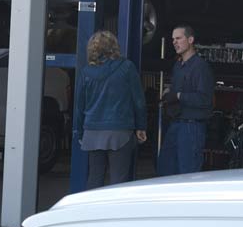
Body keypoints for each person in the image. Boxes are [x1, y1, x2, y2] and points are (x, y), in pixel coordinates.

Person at [74, 30, 148, 190]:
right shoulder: (127, 67)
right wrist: (141, 126)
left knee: (94, 178)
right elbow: (139, 101)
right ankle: (116, 214)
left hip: (92, 133)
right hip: (120, 132)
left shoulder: (85, 72)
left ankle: (91, 213)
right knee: (119, 182)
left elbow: (80, 106)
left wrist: (80, 132)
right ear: (114, 47)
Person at [158, 25, 215, 176]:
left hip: (192, 127)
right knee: (166, 170)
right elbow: (177, 91)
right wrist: (169, 93)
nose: (174, 42)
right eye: (172, 39)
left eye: (178, 38)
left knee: (187, 173)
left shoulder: (201, 67)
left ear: (190, 40)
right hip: (175, 124)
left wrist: (178, 96)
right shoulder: (178, 65)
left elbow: (205, 99)